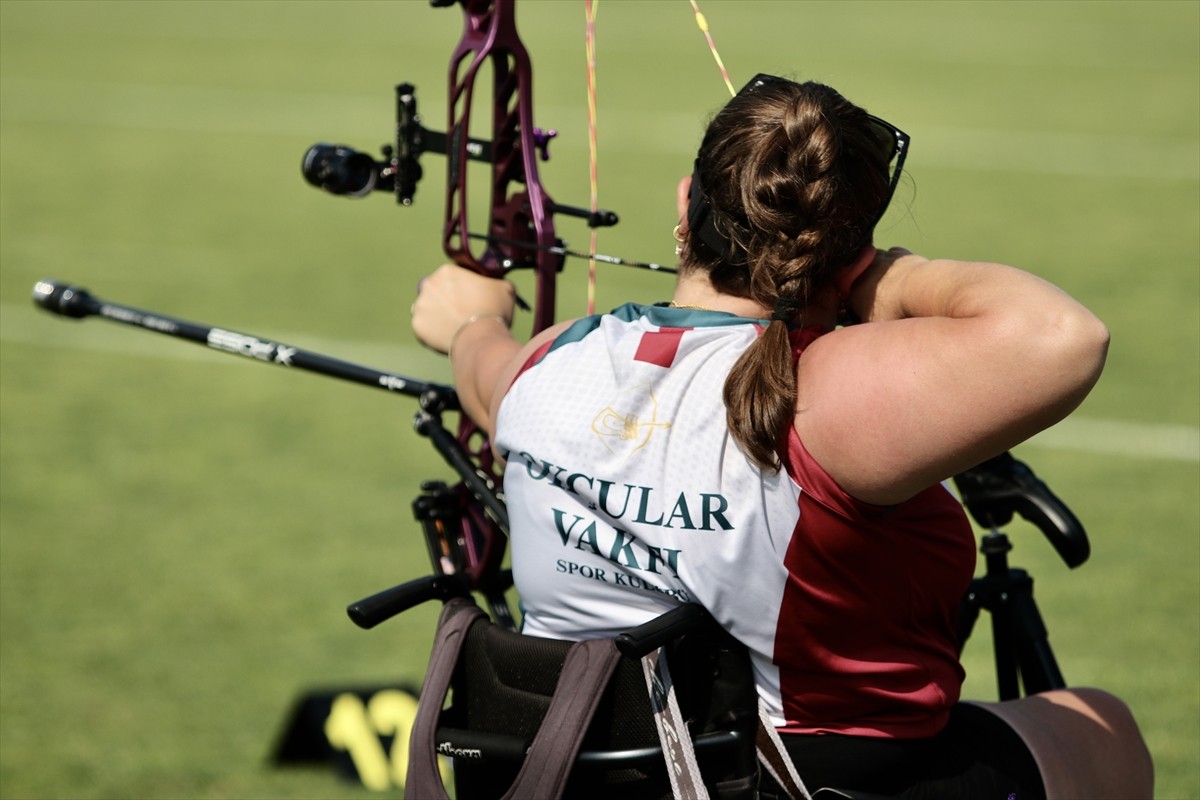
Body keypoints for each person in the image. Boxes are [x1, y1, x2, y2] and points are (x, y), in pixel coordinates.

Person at [411, 74, 1153, 799]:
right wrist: (890, 278)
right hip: (794, 780)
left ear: (685, 204)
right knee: (1103, 730)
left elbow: (478, 353)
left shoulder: (544, 367)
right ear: (849, 255)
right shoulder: (824, 397)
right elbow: (1062, 335)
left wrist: (472, 317)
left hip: (568, 767)